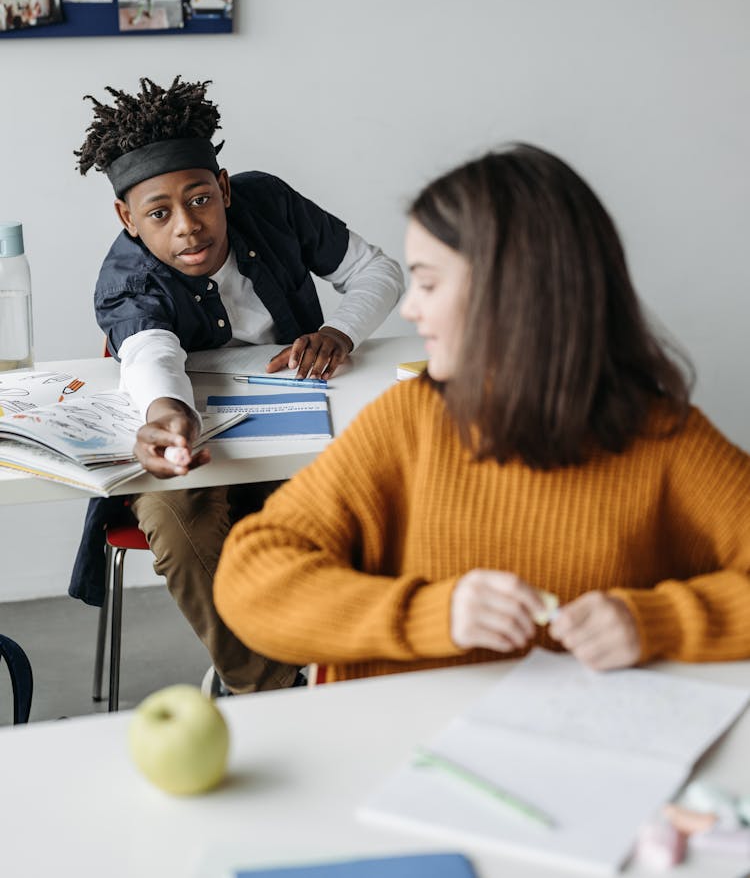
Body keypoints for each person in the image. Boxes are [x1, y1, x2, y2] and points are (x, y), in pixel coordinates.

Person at [213, 144, 750, 684]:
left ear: (514, 293)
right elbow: (250, 579)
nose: (410, 308)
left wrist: (655, 621)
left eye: (427, 283)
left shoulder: (664, 438)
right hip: (401, 744)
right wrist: (432, 613)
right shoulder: (412, 420)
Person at [69, 76, 404, 695]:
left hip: (306, 433)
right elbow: (149, 352)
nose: (188, 227)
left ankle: (367, 662)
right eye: (159, 214)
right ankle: (268, 687)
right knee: (173, 513)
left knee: (395, 478)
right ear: (128, 219)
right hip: (205, 442)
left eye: (199, 199)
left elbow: (376, 269)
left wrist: (340, 332)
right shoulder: (124, 275)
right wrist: (168, 412)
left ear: (223, 187)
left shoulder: (269, 204)